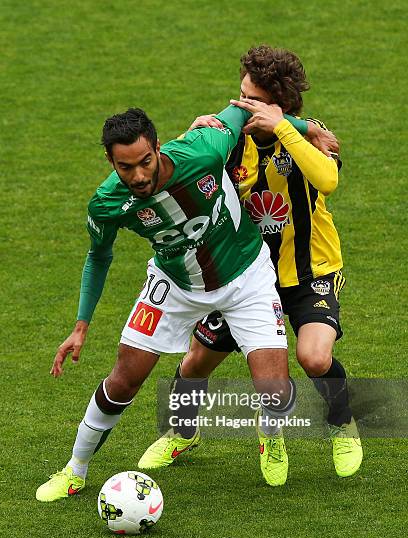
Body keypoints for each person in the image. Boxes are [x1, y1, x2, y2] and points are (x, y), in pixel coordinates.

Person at [35, 97, 328, 502]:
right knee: (124, 380)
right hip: (175, 284)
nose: (138, 175)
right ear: (110, 160)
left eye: (145, 162)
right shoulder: (106, 204)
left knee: (275, 392)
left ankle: (269, 430)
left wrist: (305, 127)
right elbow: (98, 256)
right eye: (125, 167)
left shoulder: (204, 148)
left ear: (158, 147)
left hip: (246, 274)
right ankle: (75, 470)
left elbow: (246, 110)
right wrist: (81, 326)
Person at [138, 46, 363, 482]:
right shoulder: (228, 136)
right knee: (194, 363)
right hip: (245, 276)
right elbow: (176, 172)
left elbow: (329, 180)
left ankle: (342, 422)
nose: (238, 105)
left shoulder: (308, 138)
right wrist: (193, 135)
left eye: (251, 99)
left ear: (280, 104)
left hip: (309, 271)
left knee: (314, 357)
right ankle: (183, 433)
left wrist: (290, 129)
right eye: (238, 94)